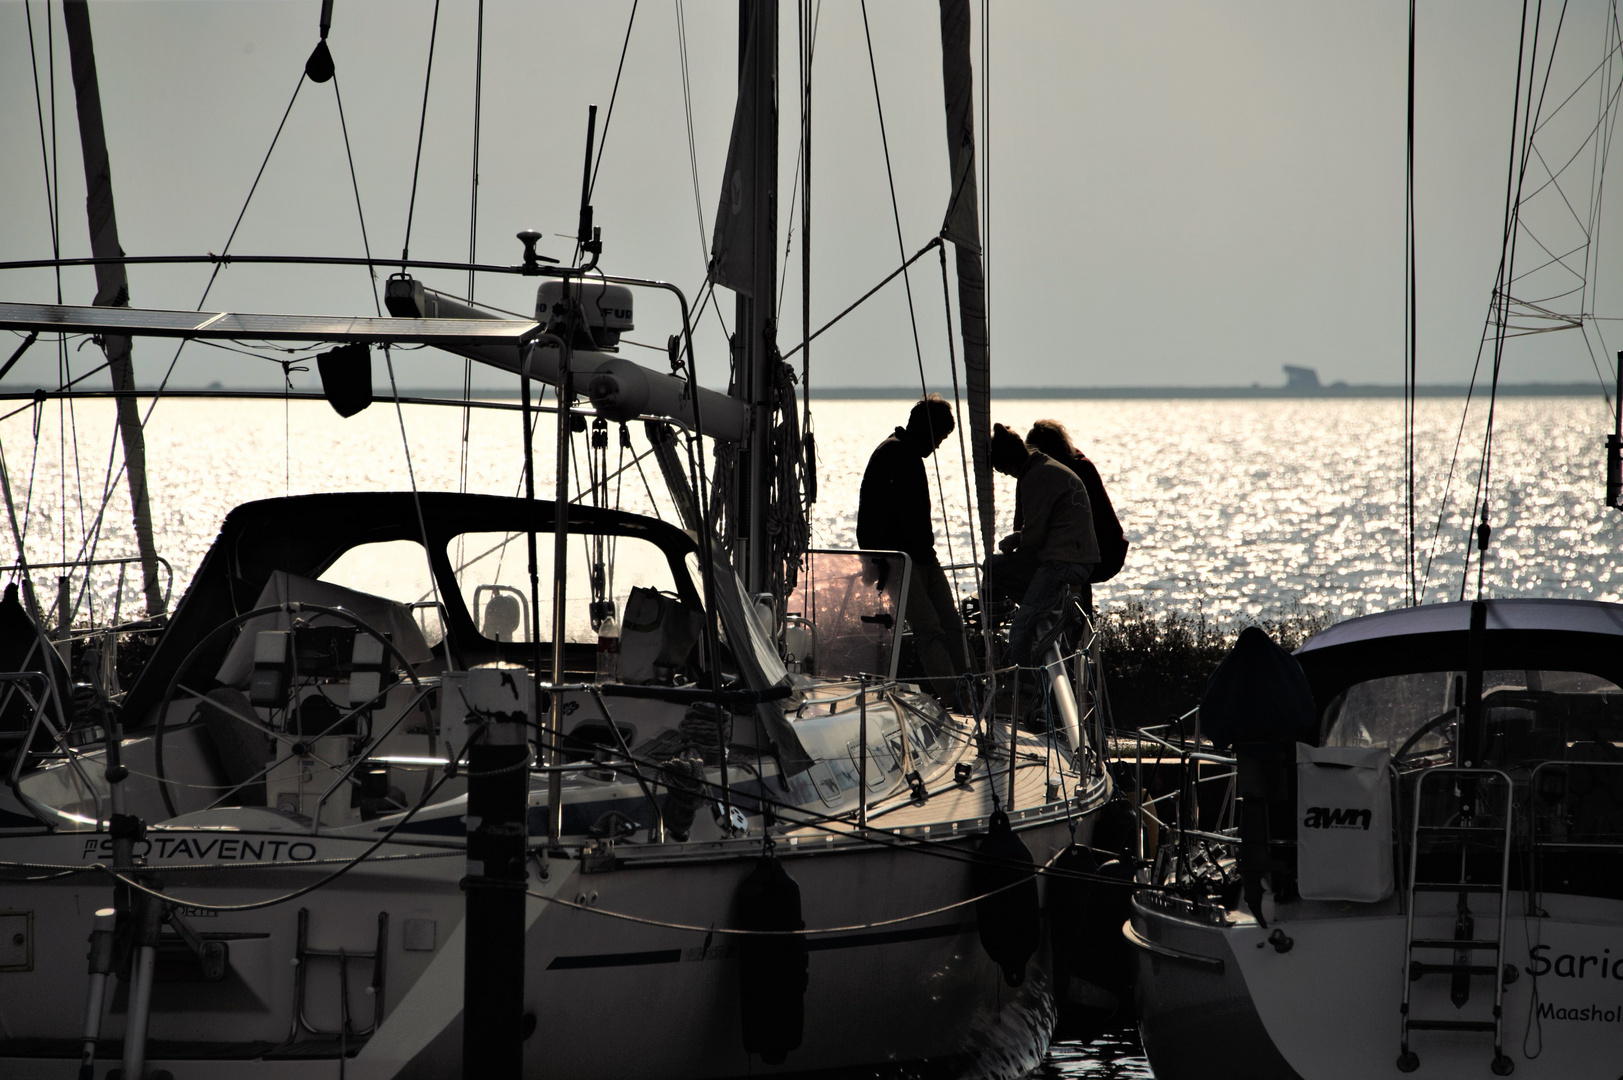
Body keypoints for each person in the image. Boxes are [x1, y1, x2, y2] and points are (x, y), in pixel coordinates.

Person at [857, 394, 970, 700]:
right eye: (938, 438)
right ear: (924, 429)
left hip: (924, 558)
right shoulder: (891, 454)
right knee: (928, 627)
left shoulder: (907, 454)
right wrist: (873, 559)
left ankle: (970, 687)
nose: (937, 446)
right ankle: (954, 694)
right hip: (899, 563)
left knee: (951, 624)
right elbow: (869, 513)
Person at [984, 423, 1100, 666]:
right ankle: (1042, 606)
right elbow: (1043, 526)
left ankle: (1022, 685)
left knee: (1021, 628)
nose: (1007, 475)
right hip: (1075, 558)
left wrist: (1014, 544)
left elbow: (1034, 539)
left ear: (1009, 464)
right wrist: (1018, 540)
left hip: (1063, 563)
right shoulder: (1043, 466)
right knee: (993, 566)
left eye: (1003, 471)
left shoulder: (1035, 477)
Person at [1023, 419, 1128, 611]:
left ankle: (1075, 627)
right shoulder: (1036, 473)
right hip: (1081, 548)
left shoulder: (1078, 470)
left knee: (1070, 570)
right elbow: (1023, 518)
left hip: (1098, 548)